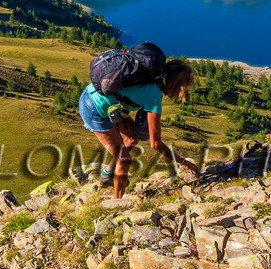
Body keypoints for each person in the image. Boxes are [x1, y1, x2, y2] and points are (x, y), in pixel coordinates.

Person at [79, 56, 201, 197]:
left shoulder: (150, 76)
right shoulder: (154, 95)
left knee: (132, 138)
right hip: (93, 109)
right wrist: (184, 162)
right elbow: (156, 144)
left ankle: (107, 175)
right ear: (177, 85)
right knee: (124, 158)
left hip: (94, 95)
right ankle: (118, 201)